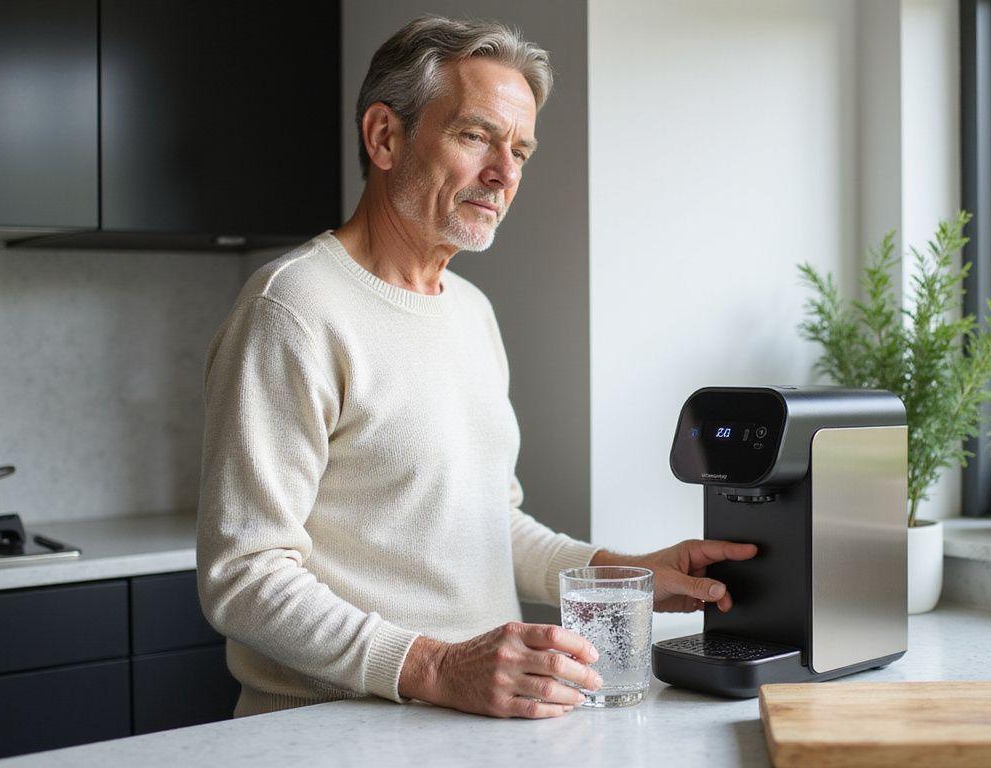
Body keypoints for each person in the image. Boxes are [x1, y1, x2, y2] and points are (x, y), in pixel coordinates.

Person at [197, 15, 756, 720]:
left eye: (521, 150)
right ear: (384, 137)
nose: (505, 174)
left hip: (470, 722)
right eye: (476, 136)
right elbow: (244, 575)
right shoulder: (294, 308)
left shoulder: (469, 311)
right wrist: (435, 666)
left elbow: (490, 524)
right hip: (329, 730)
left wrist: (625, 572)